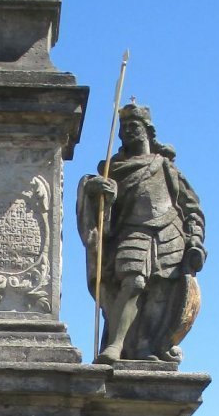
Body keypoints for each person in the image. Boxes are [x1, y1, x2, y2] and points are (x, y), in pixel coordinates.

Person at [76, 103, 206, 363]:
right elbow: (103, 214)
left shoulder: (166, 167)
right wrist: (96, 191)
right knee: (133, 283)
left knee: (159, 292)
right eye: (124, 127)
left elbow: (191, 207)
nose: (128, 131)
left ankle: (145, 347)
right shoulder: (112, 169)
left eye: (134, 126)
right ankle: (116, 344)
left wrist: (195, 238)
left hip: (169, 232)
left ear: (148, 131)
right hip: (133, 232)